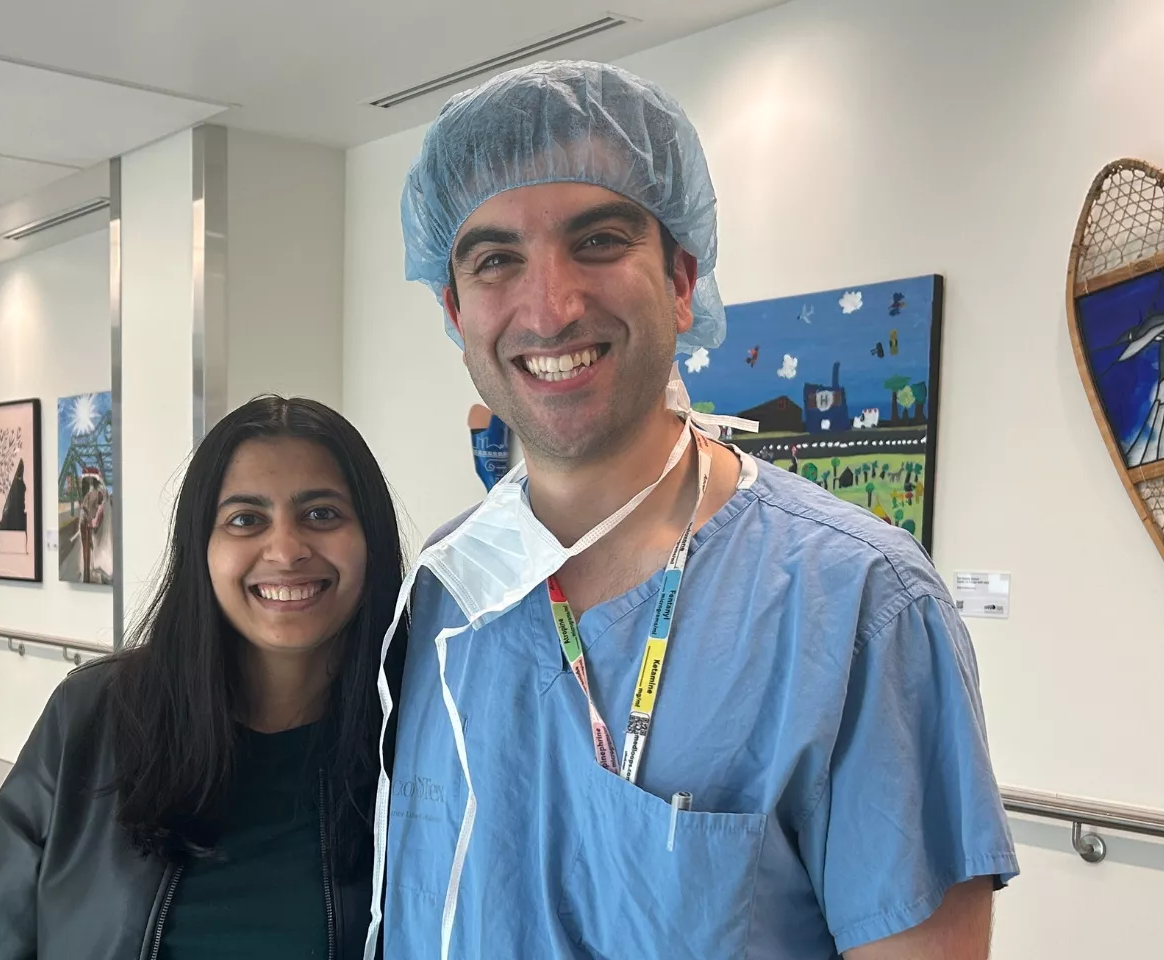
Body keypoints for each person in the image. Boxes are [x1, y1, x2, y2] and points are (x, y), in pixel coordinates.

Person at [365, 61, 1018, 959]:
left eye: (597, 241)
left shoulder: (855, 607)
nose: (550, 307)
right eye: (496, 259)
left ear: (681, 280)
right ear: (454, 307)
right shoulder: (447, 591)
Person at [0, 396, 407, 959]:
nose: (287, 549)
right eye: (246, 519)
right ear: (201, 549)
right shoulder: (93, 719)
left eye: (321, 514)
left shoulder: (422, 731)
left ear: (372, 541)